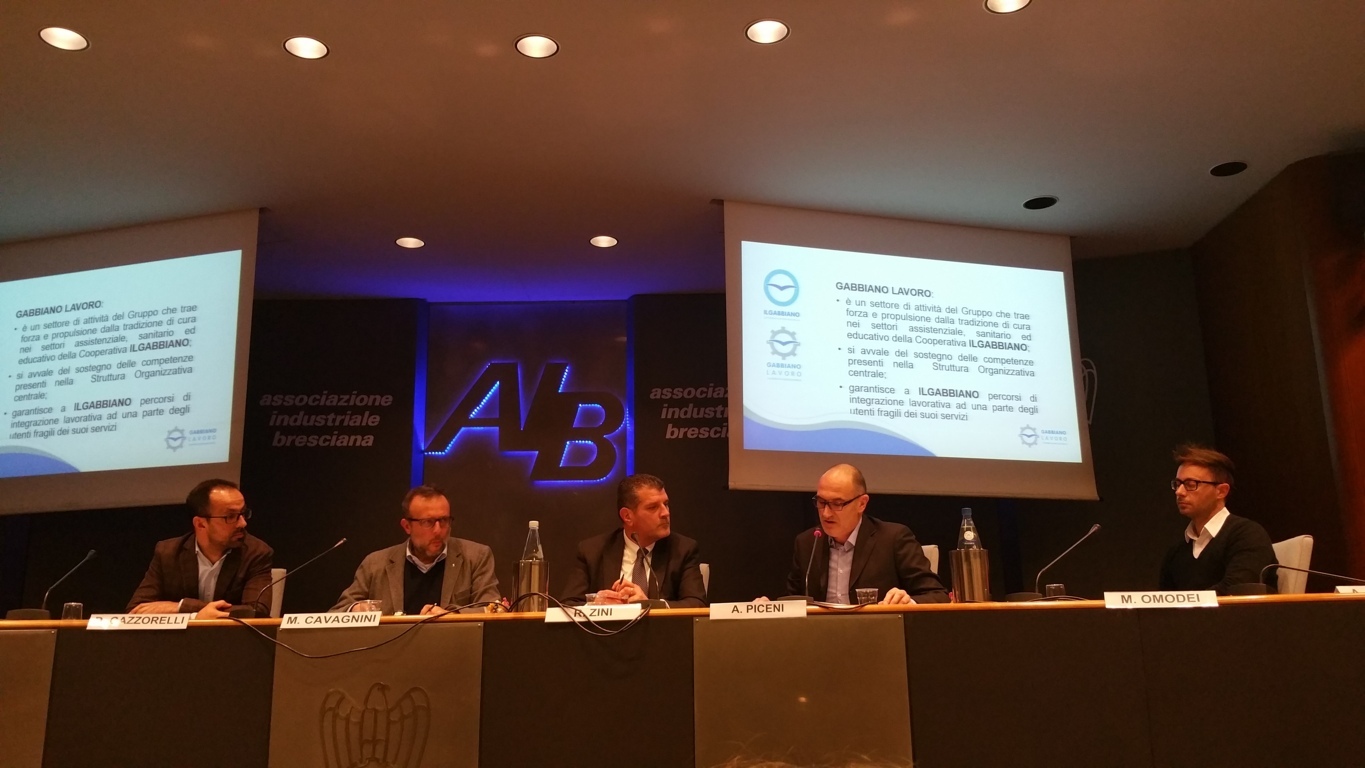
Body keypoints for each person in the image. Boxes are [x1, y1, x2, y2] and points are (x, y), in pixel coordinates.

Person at [786, 464, 948, 604]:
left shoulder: (893, 539)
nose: (826, 513)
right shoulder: (807, 542)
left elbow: (938, 595)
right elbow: (792, 603)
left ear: (861, 504)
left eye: (837, 503)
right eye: (821, 502)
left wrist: (907, 602)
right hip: (820, 630)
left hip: (878, 629)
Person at [331, 485, 500, 615]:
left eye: (444, 520)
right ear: (407, 526)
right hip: (393, 649)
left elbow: (494, 609)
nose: (438, 530)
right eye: (428, 522)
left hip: (453, 647)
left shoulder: (476, 557)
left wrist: (451, 615)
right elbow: (338, 612)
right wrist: (356, 609)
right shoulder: (375, 564)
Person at [127, 479, 274, 619]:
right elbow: (136, 610)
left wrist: (185, 607)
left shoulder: (256, 553)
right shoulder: (168, 553)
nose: (242, 523)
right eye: (231, 516)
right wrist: (195, 615)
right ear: (200, 524)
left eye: (243, 513)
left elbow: (257, 612)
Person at [560, 473, 707, 607]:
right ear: (627, 516)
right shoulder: (592, 551)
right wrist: (597, 604)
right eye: (653, 507)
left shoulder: (682, 549)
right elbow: (568, 605)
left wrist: (650, 605)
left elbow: (697, 604)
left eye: (666, 504)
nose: (665, 513)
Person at [1159, 444, 1277, 594]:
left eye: (1191, 484)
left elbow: (1238, 590)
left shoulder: (1248, 535)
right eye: (1177, 484)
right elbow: (1166, 602)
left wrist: (1188, 603)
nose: (1179, 492)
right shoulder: (1176, 552)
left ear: (1221, 491)